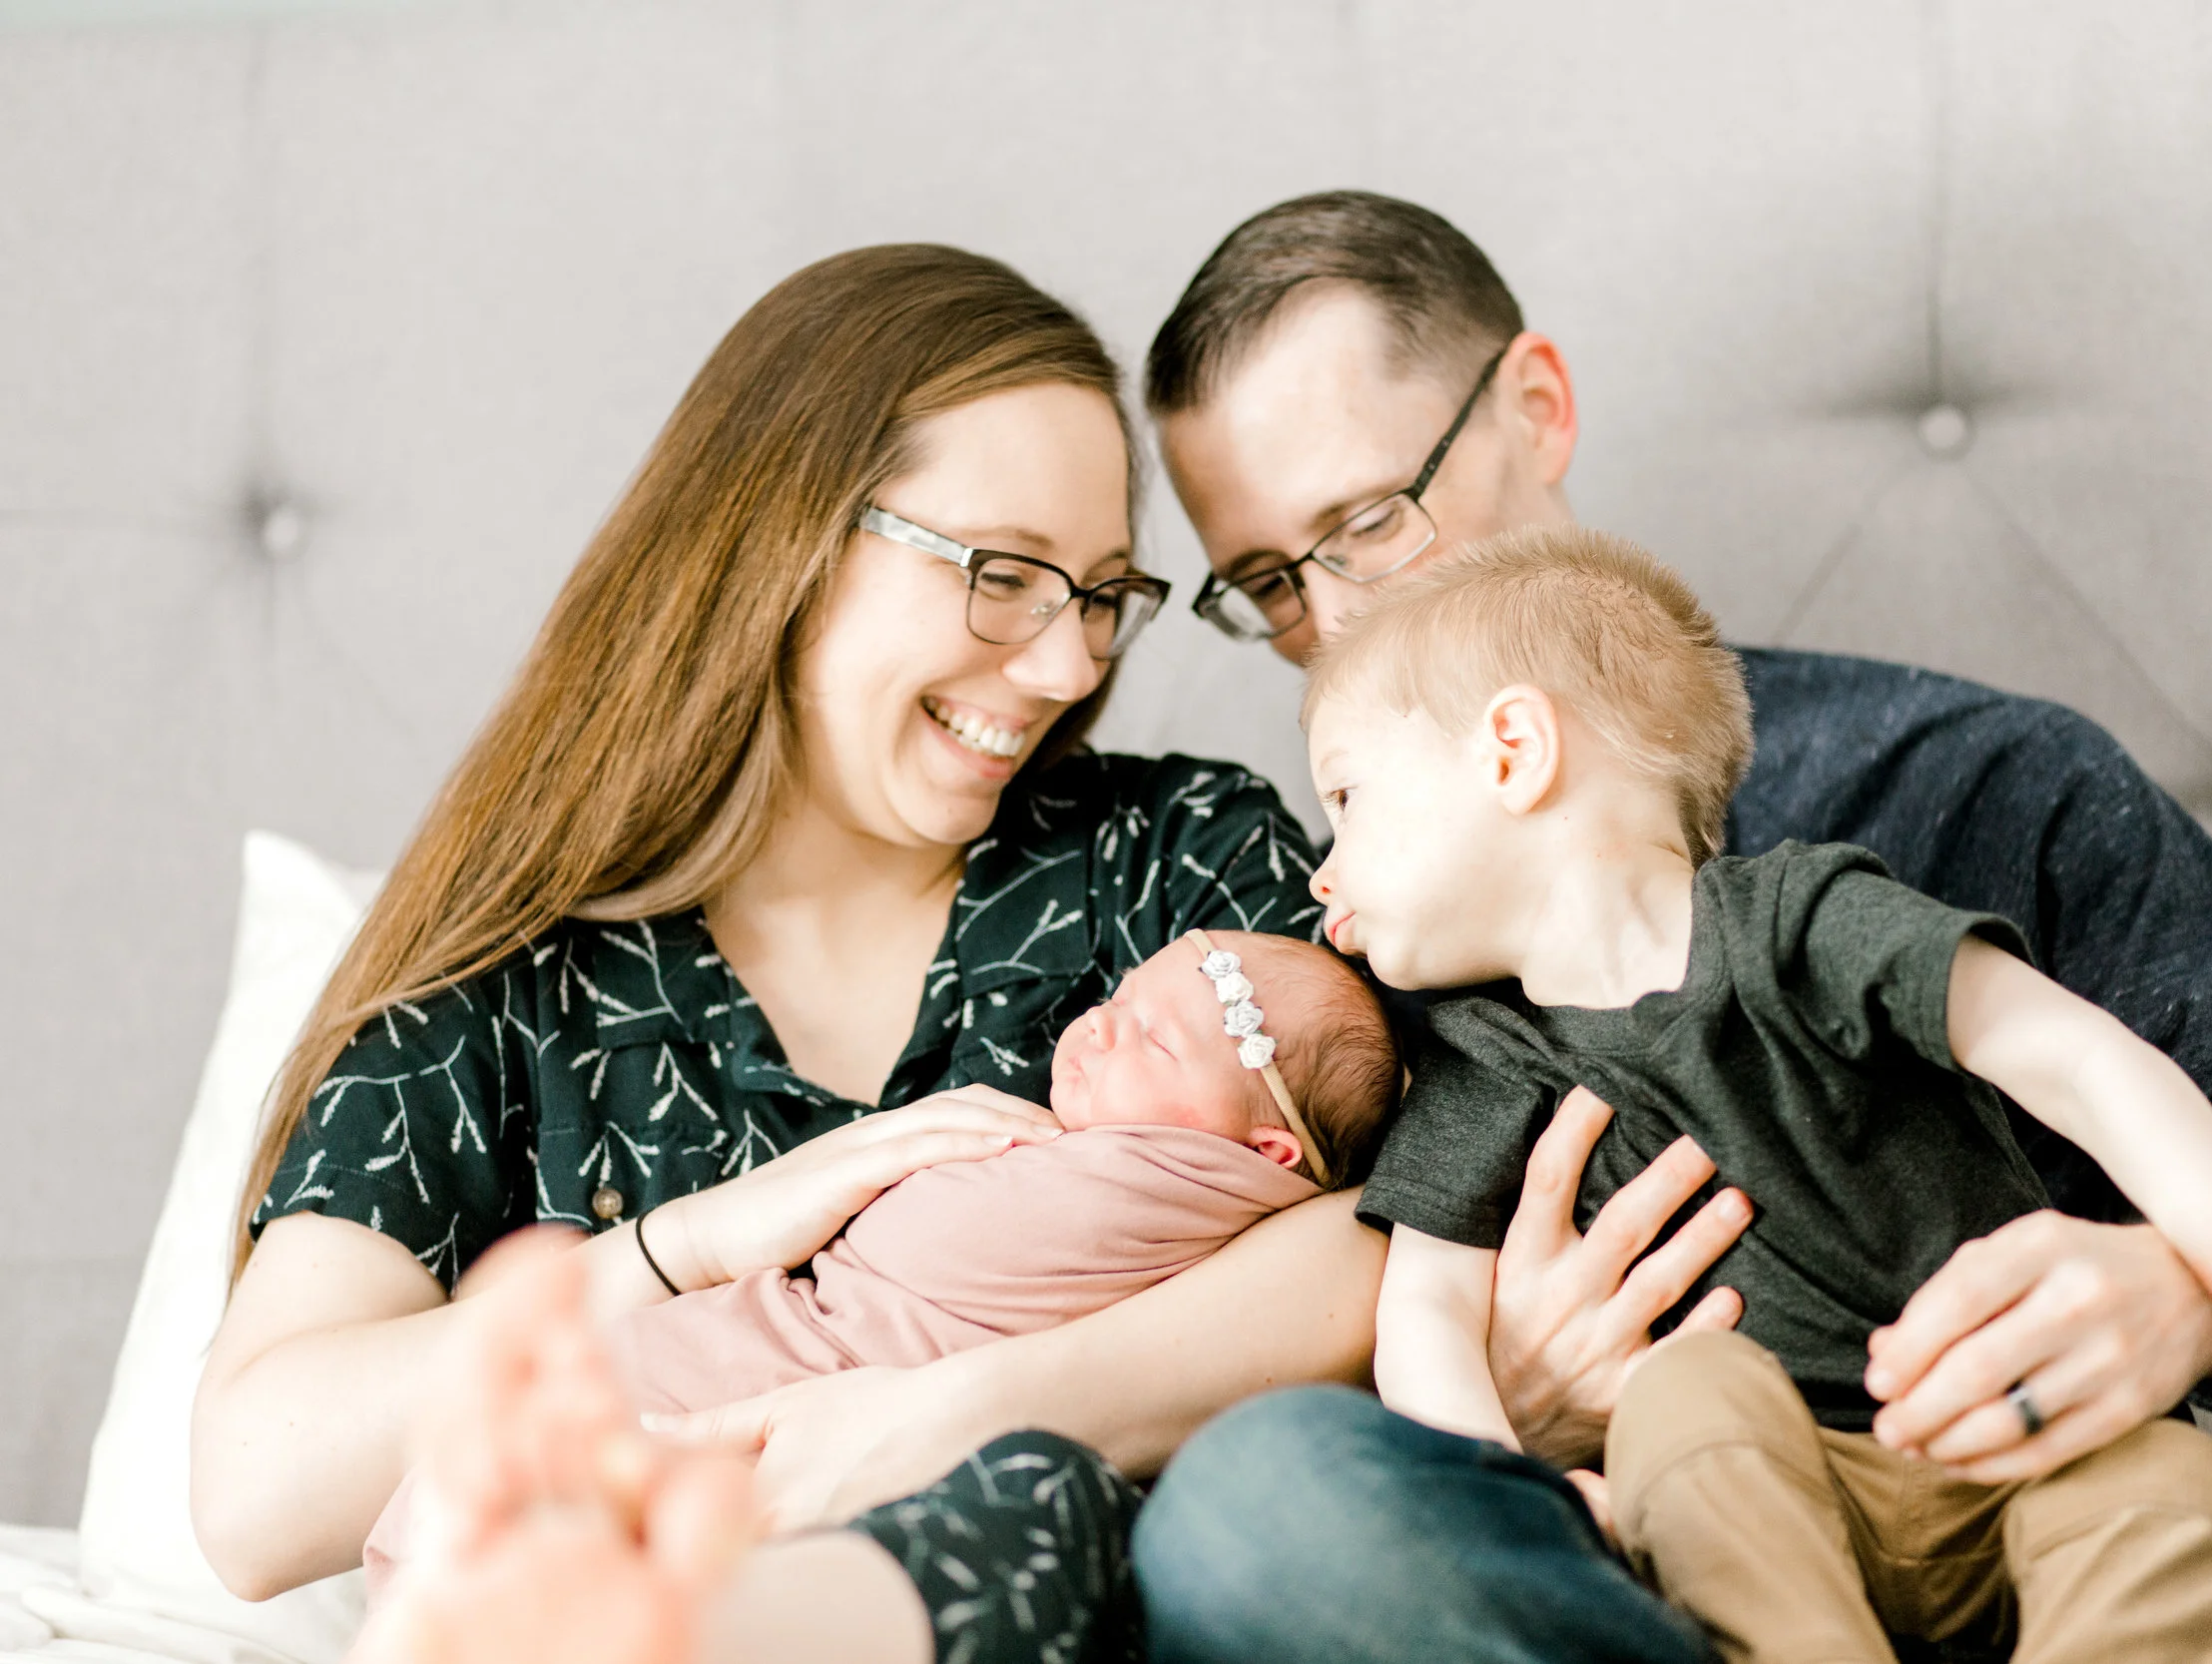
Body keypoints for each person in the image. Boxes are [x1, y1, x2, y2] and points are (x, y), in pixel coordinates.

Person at [1130, 191, 2212, 1663]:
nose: (1329, 621)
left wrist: (2194, 1291)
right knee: (1249, 1506)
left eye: (1366, 523)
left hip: (2039, 1514)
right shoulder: (1360, 932)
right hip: (1619, 1574)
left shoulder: (1972, 778)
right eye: (1267, 582)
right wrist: (1499, 1422)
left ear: (1536, 406)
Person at [194, 245, 1392, 1664]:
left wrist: (974, 1408)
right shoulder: (511, 995)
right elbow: (255, 1491)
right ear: (787, 539)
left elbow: (1413, 1216)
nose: (1071, 664)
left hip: (1079, 1592)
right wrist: (684, 1242)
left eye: (1099, 596)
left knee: (1038, 1496)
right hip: (610, 1557)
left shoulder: (1169, 863)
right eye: (1006, 574)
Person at [1318, 528, 2212, 1663]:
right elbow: (1426, 1311)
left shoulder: (1807, 919)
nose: (1322, 865)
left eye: (1347, 796)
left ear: (1511, 750)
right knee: (1684, 1398)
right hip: (1780, 1496)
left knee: (2177, 1486)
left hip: (2020, 1445)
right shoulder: (1482, 1051)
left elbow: (2078, 1058)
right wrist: (1510, 1497)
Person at [363, 929, 1396, 1588]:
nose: (1102, 1023)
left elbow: (945, 1248)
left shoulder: (1162, 1186)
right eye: (1120, 993)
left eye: (1156, 1043)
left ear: (1266, 1152)